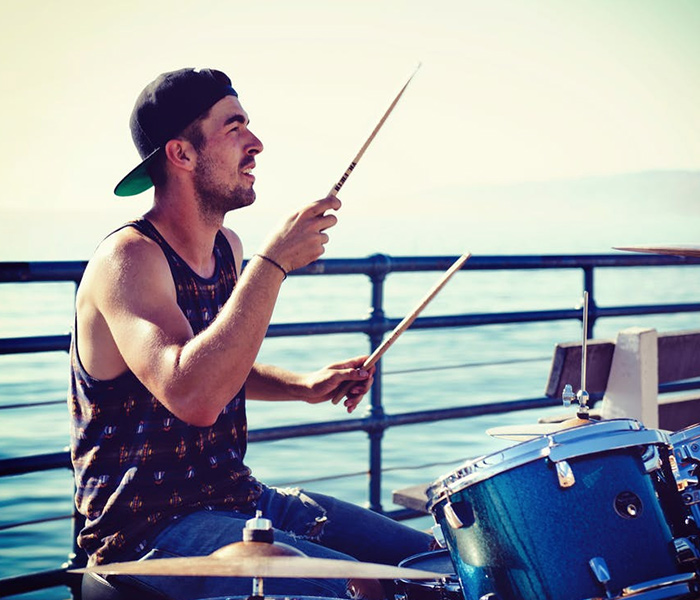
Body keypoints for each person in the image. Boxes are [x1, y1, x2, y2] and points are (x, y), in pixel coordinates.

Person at [68, 67, 432, 600]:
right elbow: (192, 393)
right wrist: (273, 263)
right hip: (146, 534)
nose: (256, 143)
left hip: (238, 499)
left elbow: (214, 362)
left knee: (431, 565)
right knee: (363, 588)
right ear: (181, 154)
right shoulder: (129, 259)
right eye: (234, 127)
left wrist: (302, 386)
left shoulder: (226, 248)